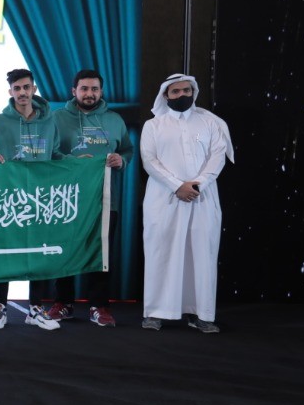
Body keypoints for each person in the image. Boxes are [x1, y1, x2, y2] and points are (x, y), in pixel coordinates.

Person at [140, 73, 234, 333]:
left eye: (186, 91)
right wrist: (177, 186)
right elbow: (149, 161)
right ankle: (155, 313)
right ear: (165, 96)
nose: (182, 95)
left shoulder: (210, 123)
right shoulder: (153, 126)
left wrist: (197, 184)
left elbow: (218, 157)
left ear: (193, 93)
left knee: (202, 255)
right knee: (161, 254)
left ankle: (201, 314)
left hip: (202, 199)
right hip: (164, 199)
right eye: (176, 92)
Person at [45, 69, 135, 327]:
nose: (89, 93)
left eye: (94, 89)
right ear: (74, 91)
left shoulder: (114, 120)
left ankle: (99, 305)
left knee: (101, 253)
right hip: (66, 200)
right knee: (65, 251)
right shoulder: (56, 118)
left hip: (104, 200)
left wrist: (121, 160)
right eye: (84, 88)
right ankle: (63, 303)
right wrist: (72, 162)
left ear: (101, 91)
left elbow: (127, 150)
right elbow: (48, 153)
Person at [0, 68, 65, 331]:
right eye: (17, 88)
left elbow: (57, 155)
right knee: (5, 252)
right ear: (10, 92)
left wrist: (80, 164)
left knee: (39, 251)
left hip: (40, 199)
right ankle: (0, 306)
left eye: (26, 87)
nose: (22, 92)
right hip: (9, 199)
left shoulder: (49, 122)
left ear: (34, 89)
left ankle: (35, 308)